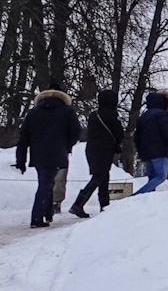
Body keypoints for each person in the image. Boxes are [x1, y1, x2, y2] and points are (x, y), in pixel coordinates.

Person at [13, 88, 83, 227]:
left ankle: (47, 213)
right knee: (45, 184)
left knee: (46, 181)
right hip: (57, 152)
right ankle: (36, 218)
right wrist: (66, 146)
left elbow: (23, 138)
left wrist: (21, 161)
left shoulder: (33, 113)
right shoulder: (67, 112)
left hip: (38, 154)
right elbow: (76, 131)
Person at [68, 90, 125, 219]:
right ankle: (78, 204)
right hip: (105, 149)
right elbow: (119, 133)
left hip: (92, 148)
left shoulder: (94, 114)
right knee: (99, 177)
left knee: (102, 176)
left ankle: (105, 206)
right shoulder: (112, 114)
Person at [132, 90, 168, 194]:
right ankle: (137, 195)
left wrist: (141, 153)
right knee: (160, 176)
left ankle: (146, 199)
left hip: (146, 152)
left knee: (152, 178)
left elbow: (137, 137)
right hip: (159, 151)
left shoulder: (143, 117)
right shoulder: (162, 114)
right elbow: (167, 131)